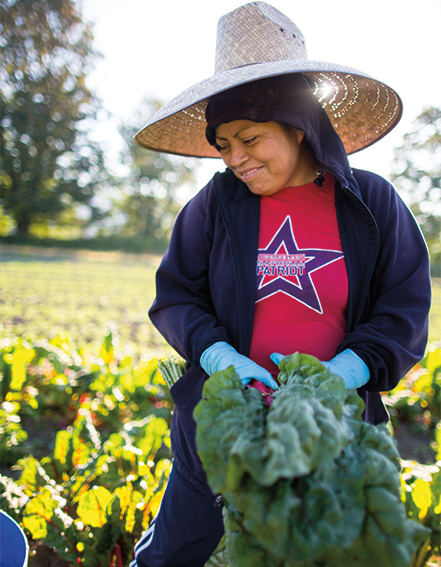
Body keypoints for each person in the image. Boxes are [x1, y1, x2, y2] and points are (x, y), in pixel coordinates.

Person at [130, 3, 431, 566]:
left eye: (250, 138)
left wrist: (347, 373)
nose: (235, 158)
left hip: (329, 427)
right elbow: (175, 296)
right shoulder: (215, 206)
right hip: (221, 429)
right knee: (175, 552)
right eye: (222, 144)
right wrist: (219, 357)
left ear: (298, 127)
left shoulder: (371, 203)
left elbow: (404, 308)